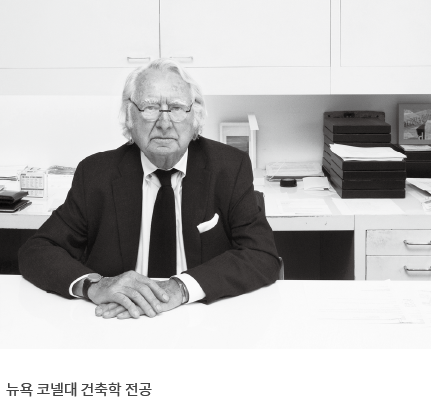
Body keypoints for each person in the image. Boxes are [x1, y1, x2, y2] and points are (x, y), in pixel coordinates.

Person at [18, 58, 280, 319]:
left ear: (195, 116)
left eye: (177, 108)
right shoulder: (96, 174)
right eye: (150, 107)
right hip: (117, 319)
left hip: (200, 317)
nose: (164, 123)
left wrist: (181, 288)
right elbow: (37, 251)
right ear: (129, 116)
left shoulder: (230, 168)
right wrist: (94, 286)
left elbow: (262, 254)